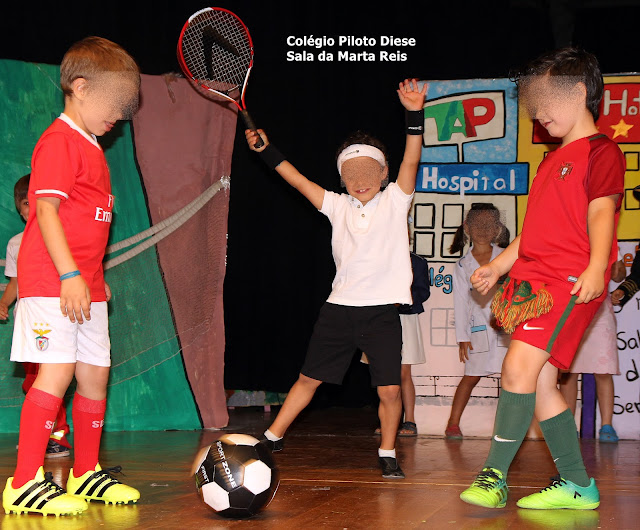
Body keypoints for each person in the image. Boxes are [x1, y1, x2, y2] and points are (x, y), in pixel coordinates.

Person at [459, 47, 625, 510]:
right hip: (536, 280)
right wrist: (498, 266)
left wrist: (596, 266)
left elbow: (601, 211)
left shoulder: (601, 151)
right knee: (542, 385)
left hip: (569, 281)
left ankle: (494, 477)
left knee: (516, 368)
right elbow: (533, 232)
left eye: (544, 99)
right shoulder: (551, 161)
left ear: (578, 92)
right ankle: (578, 485)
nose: (537, 111)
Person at [246, 78, 427, 479]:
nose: (360, 180)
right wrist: (266, 151)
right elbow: (296, 180)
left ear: (383, 173)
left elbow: (411, 161)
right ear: (342, 178)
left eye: (368, 171)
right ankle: (272, 437)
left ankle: (387, 451)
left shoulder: (396, 201)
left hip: (381, 313)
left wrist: (414, 114)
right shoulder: (336, 205)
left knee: (390, 389)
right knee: (308, 379)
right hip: (339, 311)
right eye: (351, 173)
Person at [2, 36, 141, 517]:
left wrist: (90, 278)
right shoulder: (60, 141)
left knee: (95, 375)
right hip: (52, 281)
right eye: (115, 102)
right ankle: (23, 482)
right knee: (57, 373)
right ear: (80, 87)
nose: (121, 114)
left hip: (86, 285)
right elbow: (45, 212)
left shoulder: (94, 148)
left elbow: (88, 225)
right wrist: (68, 274)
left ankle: (84, 472)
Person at [1, 174, 73, 458]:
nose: (32, 209)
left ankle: (58, 436)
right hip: (30, 324)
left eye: (36, 202)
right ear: (20, 207)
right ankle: (39, 435)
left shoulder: (64, 236)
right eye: (26, 205)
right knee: (34, 379)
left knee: (54, 377)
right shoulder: (16, 243)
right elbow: (15, 281)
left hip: (58, 317)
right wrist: (4, 303)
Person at [445, 203, 510, 439]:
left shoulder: (506, 258)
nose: (483, 230)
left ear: (497, 228)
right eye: (478, 224)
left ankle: (507, 428)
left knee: (511, 378)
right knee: (471, 376)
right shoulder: (463, 265)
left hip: (506, 329)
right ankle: (452, 423)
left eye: (488, 224)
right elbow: (461, 301)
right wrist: (462, 337)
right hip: (478, 329)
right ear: (467, 228)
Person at [559, 258, 626, 443]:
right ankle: (568, 426)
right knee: (568, 372)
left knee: (604, 371)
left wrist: (615, 266)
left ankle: (607, 426)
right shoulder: (569, 243)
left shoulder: (609, 244)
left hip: (600, 311)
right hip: (570, 307)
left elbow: (620, 276)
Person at [367, 248, 430, 437]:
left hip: (405, 318)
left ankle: (409, 420)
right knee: (383, 373)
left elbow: (422, 292)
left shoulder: (417, 261)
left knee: (403, 372)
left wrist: (401, 301)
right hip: (379, 318)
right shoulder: (377, 256)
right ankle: (387, 421)